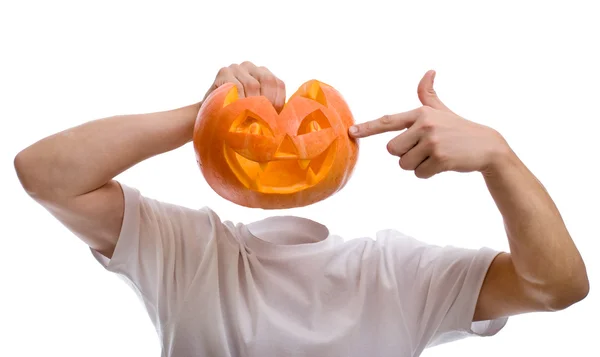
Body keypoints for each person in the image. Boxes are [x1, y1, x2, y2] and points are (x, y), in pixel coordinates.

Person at [14, 61, 589, 357]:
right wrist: (205, 111)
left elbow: (556, 287)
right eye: (254, 131)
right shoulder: (188, 252)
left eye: (308, 127)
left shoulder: (397, 272)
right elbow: (44, 175)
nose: (284, 146)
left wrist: (499, 159)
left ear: (345, 140)